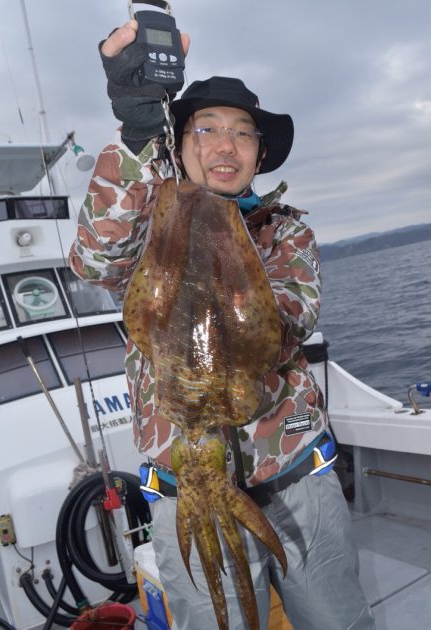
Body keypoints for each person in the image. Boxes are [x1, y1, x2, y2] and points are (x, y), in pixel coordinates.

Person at [70, 20, 375, 630]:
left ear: (260, 153)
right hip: (187, 490)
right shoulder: (146, 230)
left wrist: (229, 242)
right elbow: (95, 259)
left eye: (242, 134)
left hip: (299, 488)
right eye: (205, 129)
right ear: (179, 146)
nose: (225, 146)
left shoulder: (286, 232)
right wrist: (135, 131)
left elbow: (287, 321)